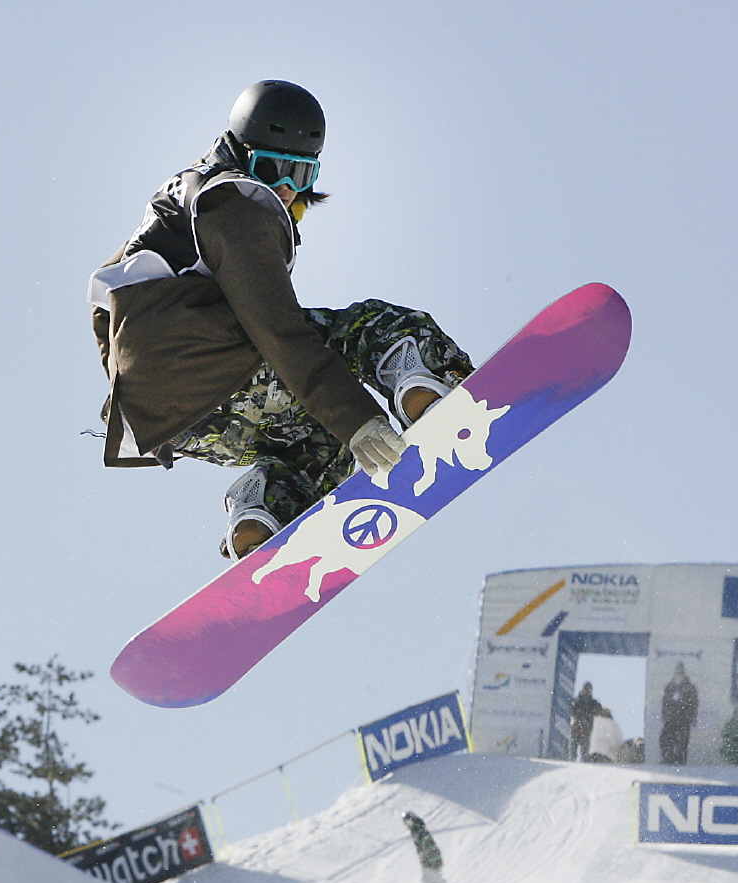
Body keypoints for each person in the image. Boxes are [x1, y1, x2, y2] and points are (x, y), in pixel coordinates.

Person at [89, 81, 474, 560]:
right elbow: (276, 328)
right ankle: (424, 390)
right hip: (218, 372)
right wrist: (359, 419)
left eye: (302, 171)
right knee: (373, 327)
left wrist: (134, 389)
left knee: (320, 444)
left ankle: (259, 515)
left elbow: (104, 301)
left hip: (179, 421)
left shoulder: (176, 202)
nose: (288, 185)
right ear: (242, 155)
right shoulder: (235, 203)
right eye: (272, 168)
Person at [401, 811, 465, 883]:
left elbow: (431, 848)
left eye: (409, 822)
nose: (408, 826)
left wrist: (433, 862)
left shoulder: (421, 833)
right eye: (406, 823)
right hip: (431, 863)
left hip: (430, 864)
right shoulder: (418, 832)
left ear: (414, 821)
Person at [659, 664, 698, 765]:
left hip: (684, 719)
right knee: (665, 739)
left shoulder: (690, 687)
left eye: (681, 672)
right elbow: (665, 702)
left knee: (682, 741)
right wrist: (665, 715)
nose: (679, 674)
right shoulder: (669, 687)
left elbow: (694, 703)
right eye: (677, 672)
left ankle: (680, 760)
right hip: (671, 718)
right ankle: (668, 758)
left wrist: (692, 717)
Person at [570, 682, 605, 762]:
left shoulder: (593, 703)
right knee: (572, 751)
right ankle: (571, 764)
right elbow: (571, 711)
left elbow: (599, 711)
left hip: (586, 729)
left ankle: (583, 765)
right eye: (586, 689)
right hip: (576, 728)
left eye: (589, 689)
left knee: (585, 753)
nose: (587, 691)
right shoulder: (577, 701)